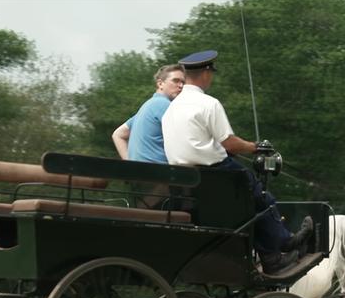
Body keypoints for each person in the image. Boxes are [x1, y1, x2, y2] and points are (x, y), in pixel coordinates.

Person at [162, 50, 311, 274]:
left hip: (184, 179)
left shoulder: (171, 109)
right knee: (262, 198)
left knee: (250, 203)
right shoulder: (208, 104)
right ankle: (279, 249)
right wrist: (254, 147)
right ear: (205, 73)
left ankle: (275, 249)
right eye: (211, 73)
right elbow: (230, 144)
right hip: (216, 174)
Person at [111, 64, 185, 162]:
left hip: (141, 173)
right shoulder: (163, 104)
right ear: (160, 84)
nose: (181, 86)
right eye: (175, 81)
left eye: (183, 82)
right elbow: (184, 140)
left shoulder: (147, 106)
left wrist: (131, 164)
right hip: (159, 173)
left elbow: (118, 134)